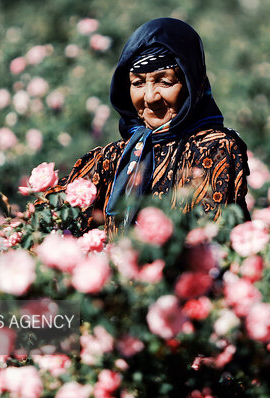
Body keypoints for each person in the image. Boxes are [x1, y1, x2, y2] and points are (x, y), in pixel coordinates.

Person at [43, 17, 250, 236]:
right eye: (138, 83)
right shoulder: (115, 158)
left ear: (191, 84)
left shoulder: (213, 148)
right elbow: (50, 218)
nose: (150, 97)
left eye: (165, 82)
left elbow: (203, 240)